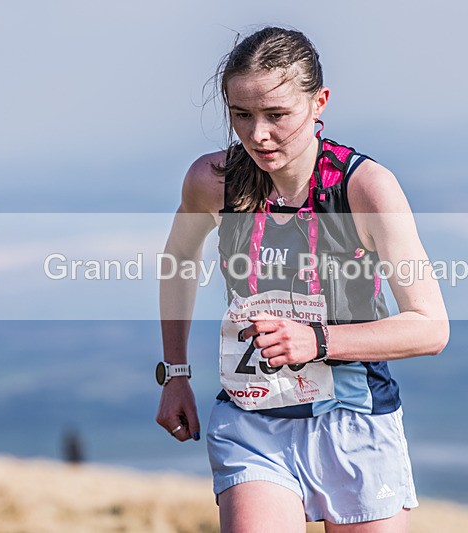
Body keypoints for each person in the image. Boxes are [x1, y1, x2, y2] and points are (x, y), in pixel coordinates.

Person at [156, 26, 449, 532]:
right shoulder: (212, 181)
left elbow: (430, 327)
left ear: (319, 103)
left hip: (355, 421)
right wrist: (175, 372)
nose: (258, 135)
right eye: (241, 115)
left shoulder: (367, 189)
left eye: (277, 115)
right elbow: (179, 260)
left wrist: (316, 340)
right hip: (253, 419)